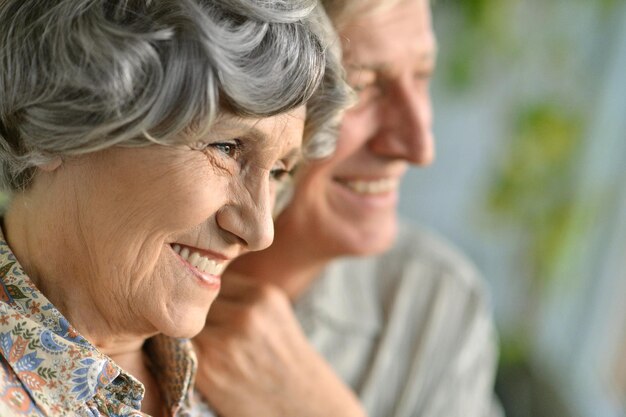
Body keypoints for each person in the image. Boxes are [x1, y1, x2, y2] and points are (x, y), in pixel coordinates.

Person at [0, 0, 350, 415]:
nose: (260, 232)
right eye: (226, 147)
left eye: (278, 172)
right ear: (60, 117)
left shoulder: (261, 384)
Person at [192, 0, 503, 416]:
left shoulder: (436, 304)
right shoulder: (116, 272)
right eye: (362, 86)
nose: (419, 146)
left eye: (423, 74)